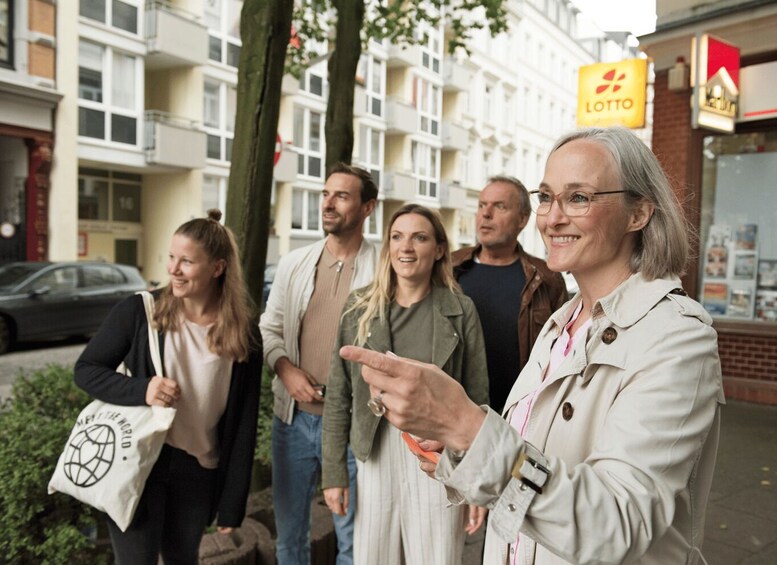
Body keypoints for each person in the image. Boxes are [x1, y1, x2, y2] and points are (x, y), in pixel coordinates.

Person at [339, 127, 725, 564]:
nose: (553, 217)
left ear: (638, 213)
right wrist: (458, 448)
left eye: (578, 198)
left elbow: (619, 522)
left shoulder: (677, 337)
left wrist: (469, 427)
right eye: (546, 197)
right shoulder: (562, 323)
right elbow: (532, 459)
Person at [74, 209, 262, 564]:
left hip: (197, 472)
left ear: (217, 268)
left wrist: (232, 502)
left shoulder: (243, 334)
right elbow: (86, 370)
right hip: (140, 460)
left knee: (182, 559)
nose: (173, 269)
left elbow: (243, 423)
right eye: (172, 257)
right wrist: (142, 390)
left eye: (187, 262)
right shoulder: (140, 312)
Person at [322, 204, 490, 565]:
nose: (406, 247)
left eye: (420, 237)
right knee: (373, 558)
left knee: (437, 558)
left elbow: (477, 399)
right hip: (376, 449)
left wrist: (477, 479)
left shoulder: (461, 310)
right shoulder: (359, 308)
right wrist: (334, 472)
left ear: (439, 249)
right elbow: (339, 394)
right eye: (397, 237)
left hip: (437, 452)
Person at [259, 163, 378, 565]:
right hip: (293, 421)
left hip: (350, 427)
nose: (328, 203)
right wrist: (285, 370)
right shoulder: (294, 263)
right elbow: (268, 329)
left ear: (367, 208)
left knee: (353, 542)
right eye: (326, 194)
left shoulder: (383, 270)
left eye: (342, 196)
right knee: (290, 538)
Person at [453, 175, 567, 412]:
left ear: (523, 219)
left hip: (521, 414)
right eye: (482, 205)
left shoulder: (546, 278)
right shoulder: (449, 269)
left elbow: (562, 356)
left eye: (500, 206)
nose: (486, 214)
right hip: (457, 413)